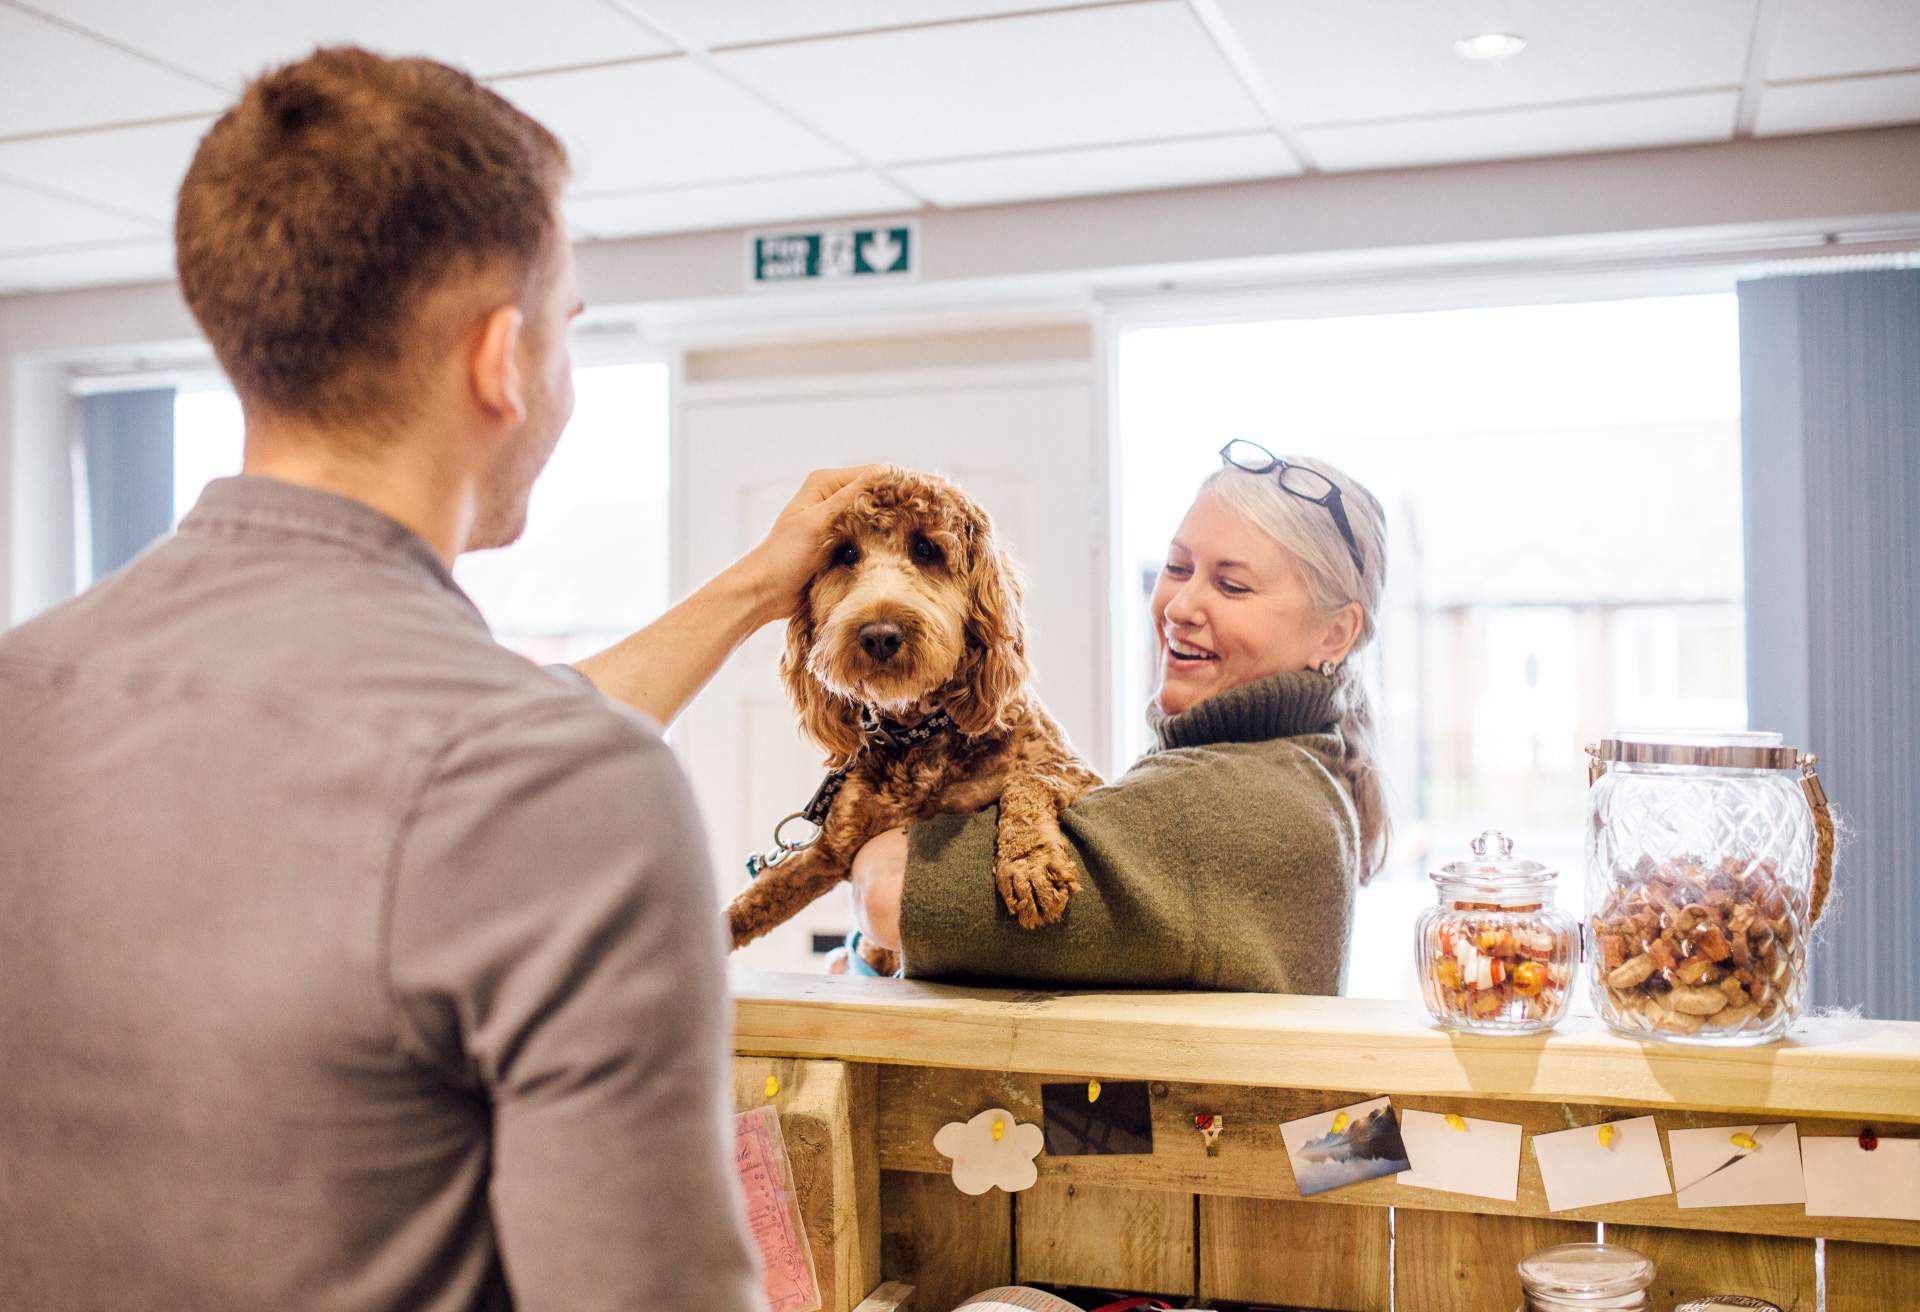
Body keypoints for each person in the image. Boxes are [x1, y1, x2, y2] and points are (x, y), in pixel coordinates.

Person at [0, 48, 875, 1311]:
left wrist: (754, 586)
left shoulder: (29, 692)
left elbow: (463, 764)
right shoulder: (559, 791)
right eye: (568, 332)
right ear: (502, 359)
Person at [848, 442, 1390, 993]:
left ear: (1335, 634)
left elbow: (888, 891)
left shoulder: (1237, 803)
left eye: (1232, 585)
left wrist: (867, 854)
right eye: (1178, 567)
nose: (1179, 607)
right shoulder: (1295, 770)